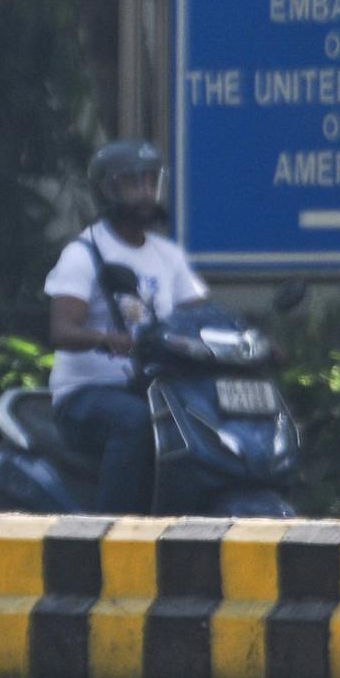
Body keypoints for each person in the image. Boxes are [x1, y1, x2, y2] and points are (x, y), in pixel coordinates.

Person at [42, 140, 208, 515]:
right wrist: (106, 339)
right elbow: (62, 329)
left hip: (152, 387)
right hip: (87, 393)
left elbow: (201, 313)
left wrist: (249, 340)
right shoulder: (84, 254)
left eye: (151, 182)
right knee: (134, 423)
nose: (146, 193)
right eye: (133, 184)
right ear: (108, 190)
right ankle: (110, 532)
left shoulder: (168, 255)